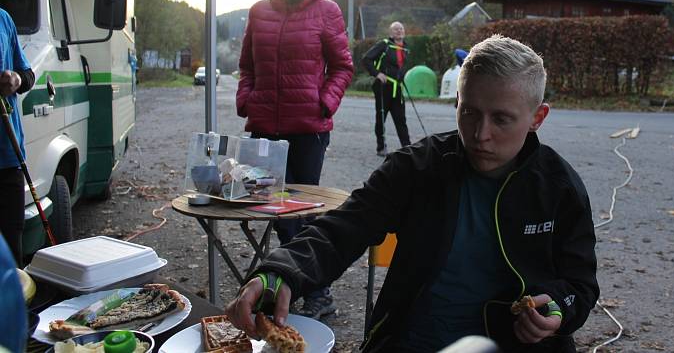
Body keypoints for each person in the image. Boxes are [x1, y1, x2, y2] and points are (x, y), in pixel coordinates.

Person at [227, 34, 599, 352]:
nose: (480, 133)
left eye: (501, 119)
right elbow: (345, 226)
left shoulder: (559, 189)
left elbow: (580, 285)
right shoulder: (419, 167)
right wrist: (282, 272)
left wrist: (557, 308)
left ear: (537, 117)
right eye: (468, 111)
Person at [235, 0, 354, 319]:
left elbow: (342, 67)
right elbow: (246, 67)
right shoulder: (259, 11)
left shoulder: (328, 11)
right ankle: (283, 283)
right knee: (270, 206)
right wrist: (246, 99)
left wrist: (325, 102)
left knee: (300, 211)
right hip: (264, 128)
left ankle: (316, 292)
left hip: (308, 130)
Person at [0, 7, 35, 266]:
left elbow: (29, 75)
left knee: (12, 249)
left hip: (8, 158)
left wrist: (16, 80)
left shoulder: (3, 18)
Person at [361, 21, 410, 156]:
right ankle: (381, 147)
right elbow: (366, 59)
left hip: (397, 88)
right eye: (395, 29)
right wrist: (377, 74)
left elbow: (401, 67)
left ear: (404, 32)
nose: (399, 31)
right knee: (381, 117)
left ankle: (408, 148)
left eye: (401, 28)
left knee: (401, 119)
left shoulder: (406, 48)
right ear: (390, 33)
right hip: (383, 87)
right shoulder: (384, 45)